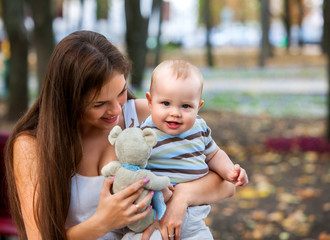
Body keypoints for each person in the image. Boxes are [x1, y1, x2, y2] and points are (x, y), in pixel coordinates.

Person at [5, 31, 235, 240]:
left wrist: (182, 197)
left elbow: (227, 184)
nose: (116, 110)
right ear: (69, 100)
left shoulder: (147, 115)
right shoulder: (32, 144)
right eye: (99, 104)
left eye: (121, 92)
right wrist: (103, 222)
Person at [138, 59, 248, 239]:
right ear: (150, 102)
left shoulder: (199, 128)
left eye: (186, 106)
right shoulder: (145, 135)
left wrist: (230, 171)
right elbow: (135, 171)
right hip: (156, 218)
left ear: (199, 107)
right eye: (166, 103)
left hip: (195, 218)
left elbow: (214, 155)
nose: (175, 112)